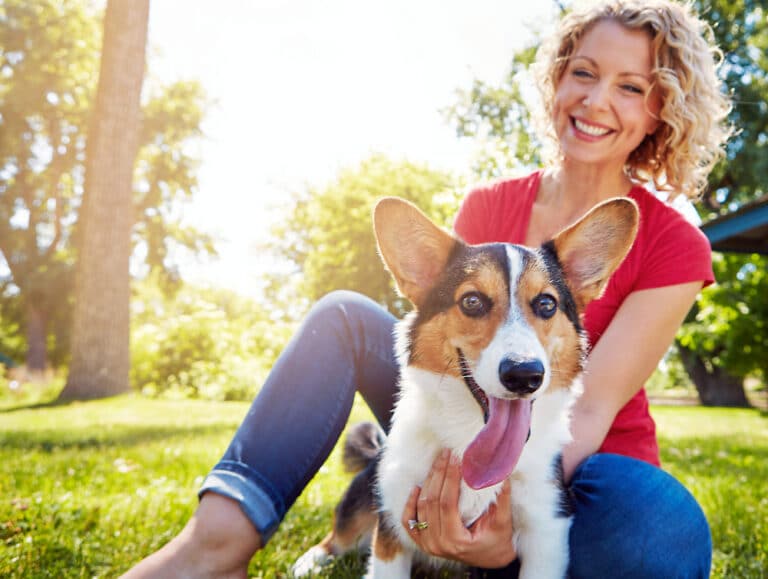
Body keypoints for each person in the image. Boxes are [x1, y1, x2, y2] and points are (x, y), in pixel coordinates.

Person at [123, 0, 731, 577]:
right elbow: (438, 344)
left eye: (630, 87)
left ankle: (502, 548)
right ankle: (217, 543)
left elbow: (591, 407)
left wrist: (504, 514)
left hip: (579, 457)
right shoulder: (489, 204)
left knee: (660, 539)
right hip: (458, 411)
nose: (597, 100)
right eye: (584, 73)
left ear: (662, 111)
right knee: (342, 315)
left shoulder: (675, 242)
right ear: (556, 79)